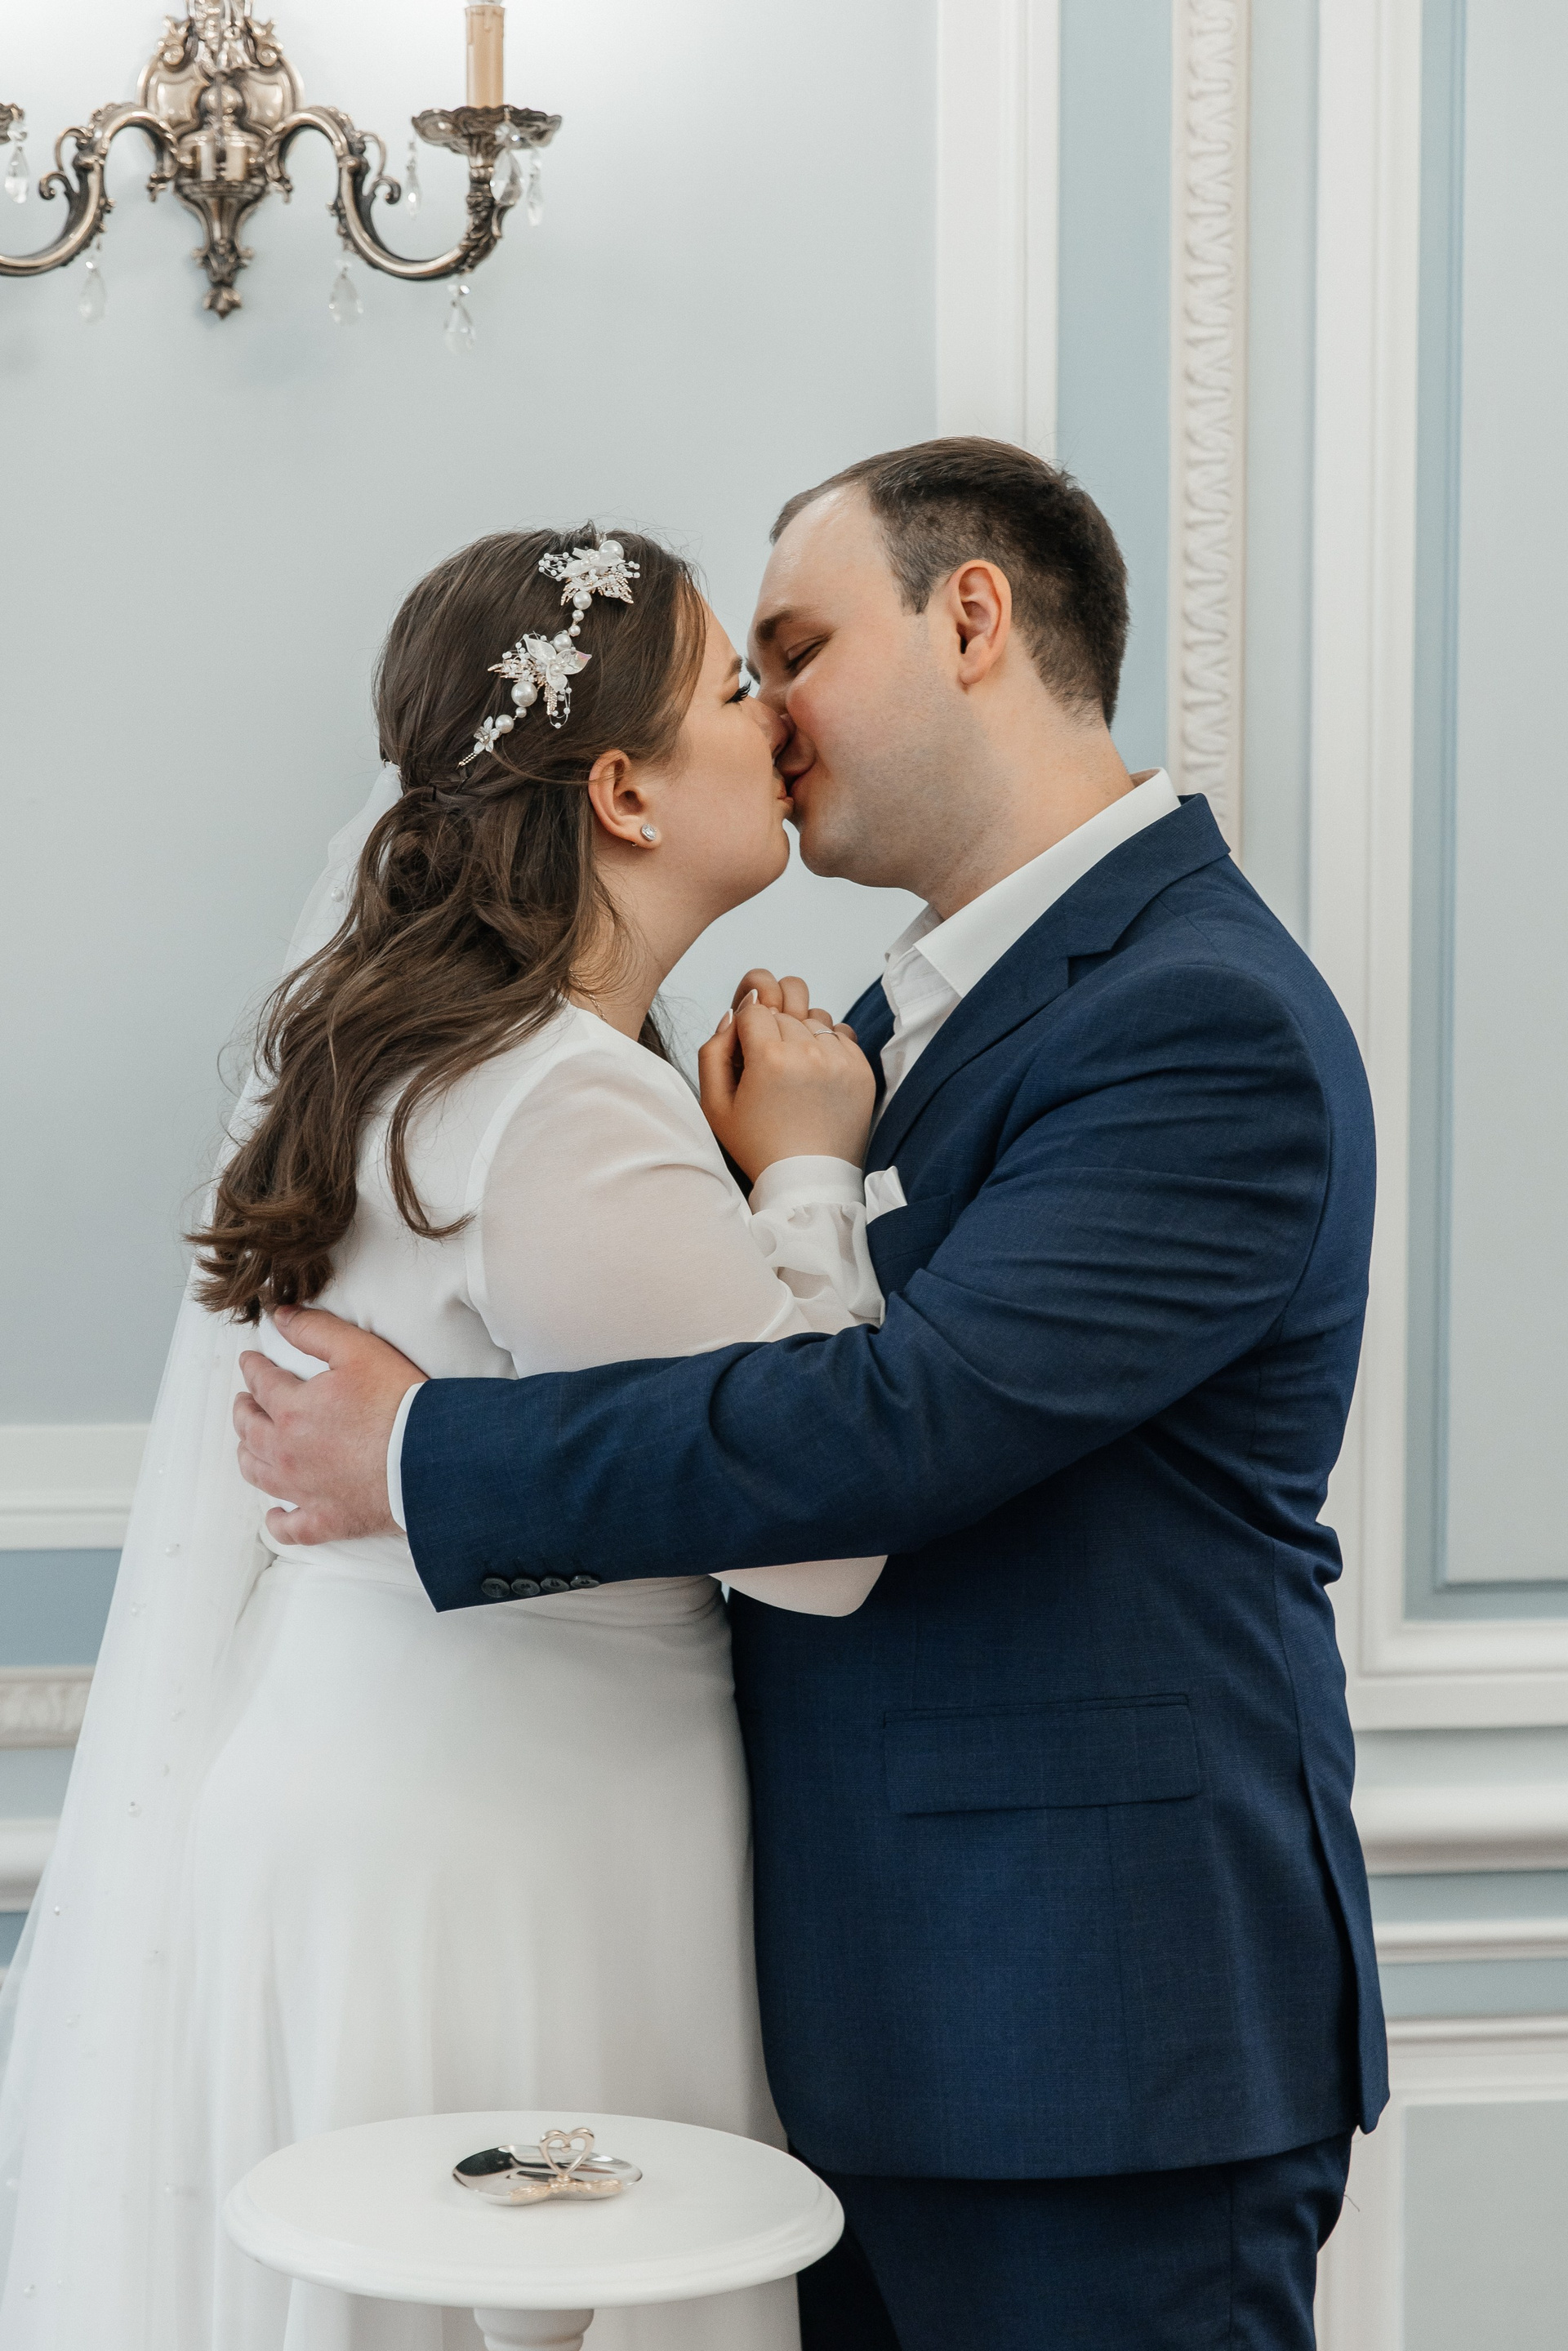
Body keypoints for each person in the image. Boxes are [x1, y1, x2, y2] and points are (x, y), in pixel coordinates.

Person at [237, 439, 1391, 2351]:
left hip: (1089, 2038)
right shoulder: (855, 1036)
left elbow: (897, 1426)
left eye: (797, 650)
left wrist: (423, 1454)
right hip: (852, 2029)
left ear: (971, 619)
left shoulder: (1199, 1017)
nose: (770, 716)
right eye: (747, 674)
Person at [0, 525, 893, 2351]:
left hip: (363, 1794)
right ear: (625, 791)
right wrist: (808, 1172)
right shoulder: (566, 1100)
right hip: (520, 1850)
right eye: (737, 686)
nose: (776, 719)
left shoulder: (402, 1062)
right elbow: (821, 1541)